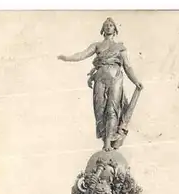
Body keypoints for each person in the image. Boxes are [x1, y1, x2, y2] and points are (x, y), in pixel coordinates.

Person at [57, 17, 143, 151]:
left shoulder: (120, 47)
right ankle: (105, 138)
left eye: (111, 25)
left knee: (112, 109)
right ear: (103, 29)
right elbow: (82, 54)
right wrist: (67, 58)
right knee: (100, 110)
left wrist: (136, 81)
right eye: (106, 25)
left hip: (115, 78)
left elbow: (127, 66)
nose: (108, 27)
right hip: (100, 78)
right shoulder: (97, 45)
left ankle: (108, 142)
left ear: (115, 29)